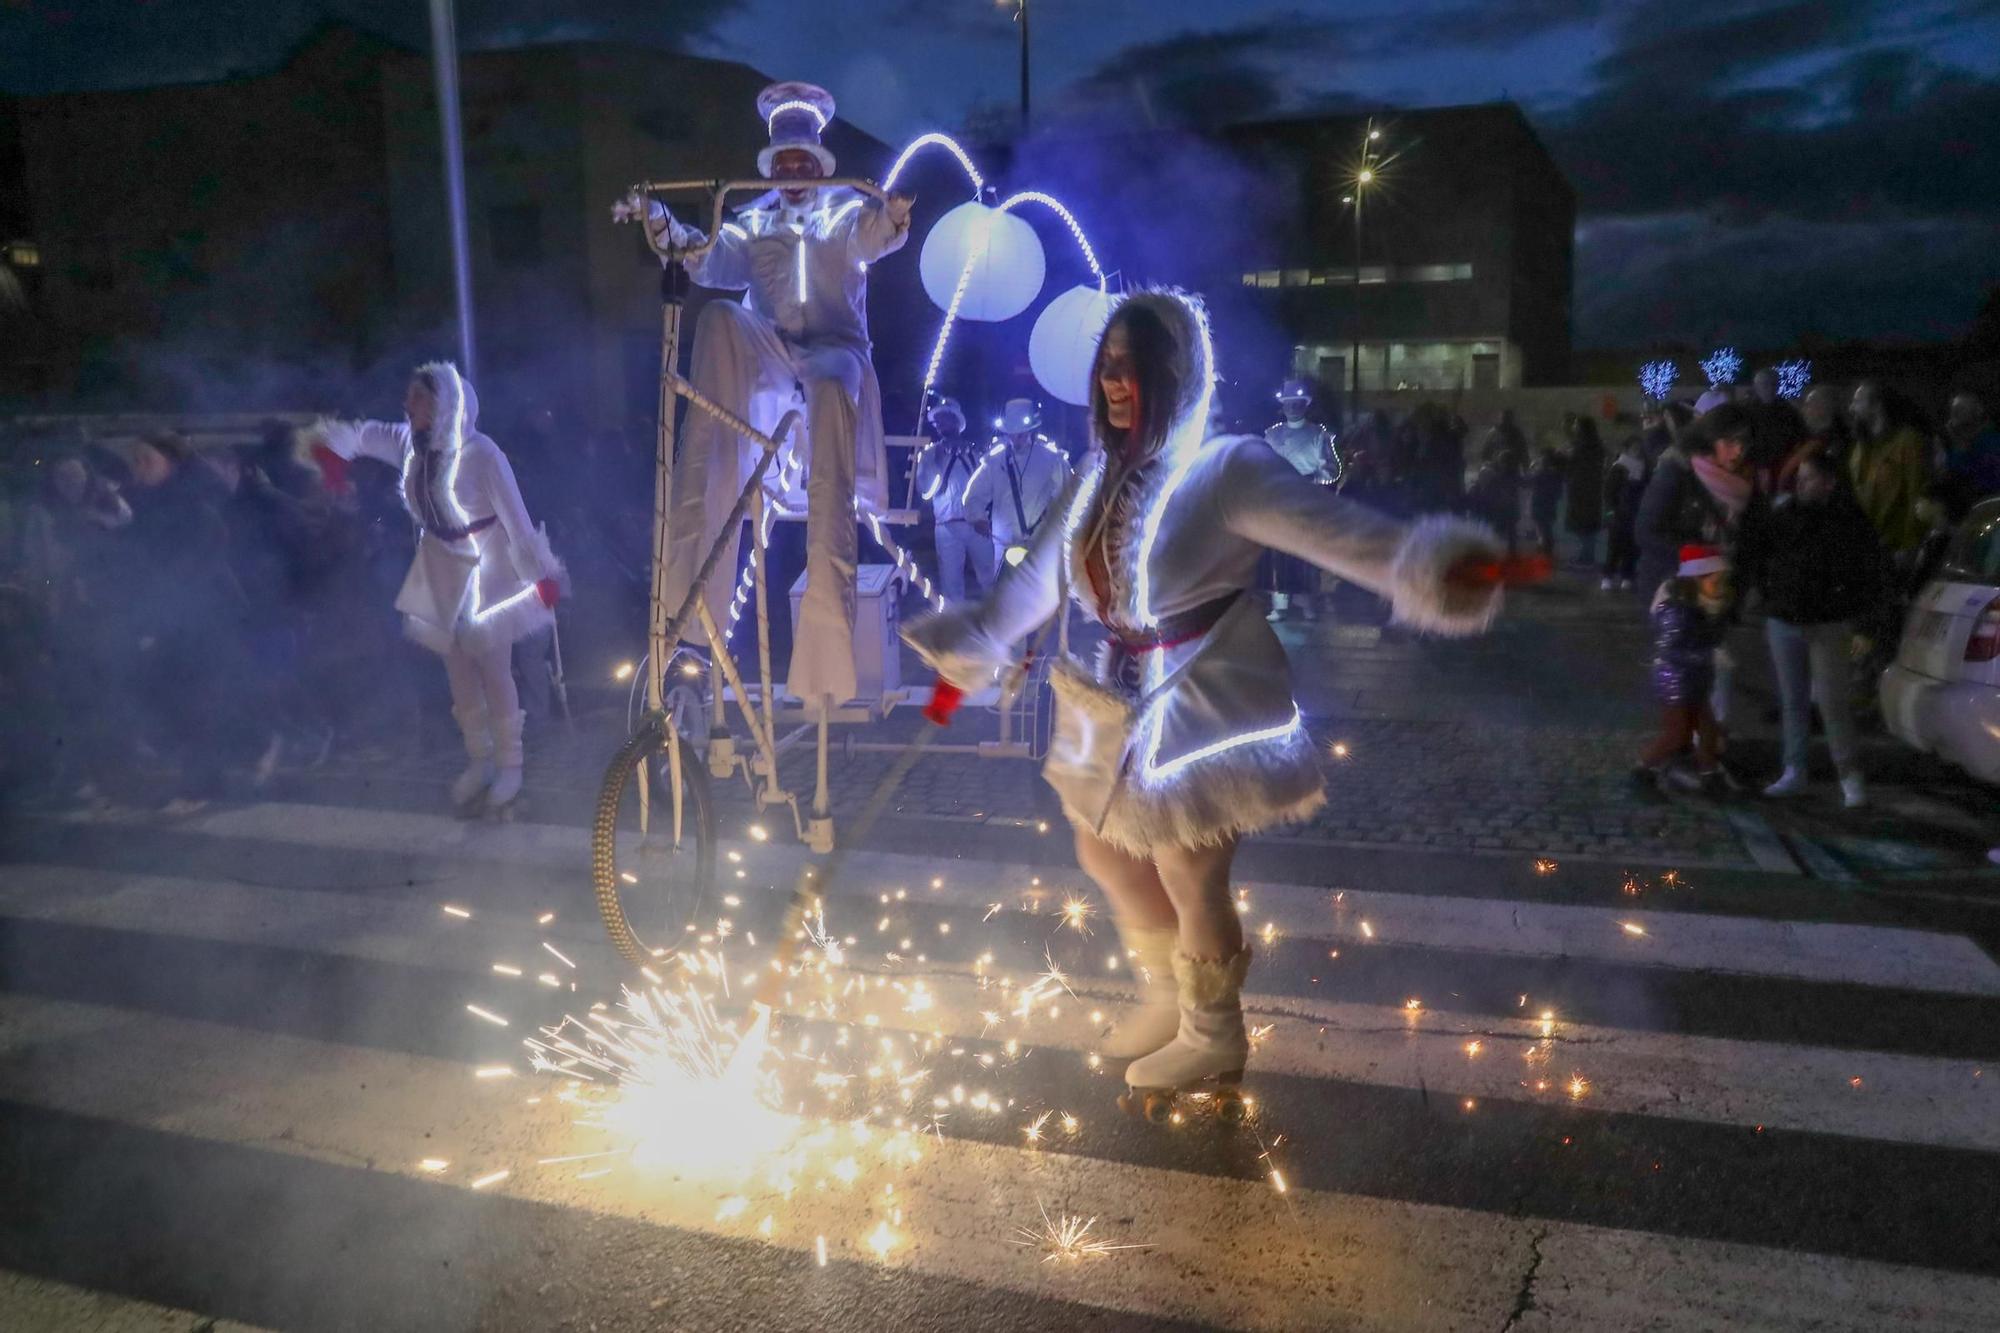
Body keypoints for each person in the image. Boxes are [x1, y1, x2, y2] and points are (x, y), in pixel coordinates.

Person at [904, 290, 1506, 1105]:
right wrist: (977, 641)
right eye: (1106, 366)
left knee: (1189, 867)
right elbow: (1035, 579)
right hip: (1115, 696)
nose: (1115, 382)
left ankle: (1213, 1038)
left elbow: (1336, 531)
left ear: (1176, 372)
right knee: (1102, 848)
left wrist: (1425, 568)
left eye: (1133, 366)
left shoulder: (1229, 467)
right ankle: (1165, 999)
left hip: (1202, 688)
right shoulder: (1095, 475)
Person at [617, 82, 913, 706]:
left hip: (835, 350)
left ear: (821, 164)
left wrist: (890, 217)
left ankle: (826, 654)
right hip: (772, 354)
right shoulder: (751, 222)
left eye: (804, 161)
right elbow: (706, 257)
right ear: (772, 169)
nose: (794, 172)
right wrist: (660, 220)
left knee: (833, 386)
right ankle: (692, 616)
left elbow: (872, 237)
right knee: (722, 318)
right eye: (784, 163)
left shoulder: (842, 214)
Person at [315, 362, 563, 816]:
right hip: (440, 560)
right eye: (409, 397)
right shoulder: (410, 443)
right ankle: (479, 759)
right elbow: (364, 434)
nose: (407, 406)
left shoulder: (484, 453)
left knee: (493, 667)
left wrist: (539, 574)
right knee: (457, 668)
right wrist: (335, 454)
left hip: (488, 565)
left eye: (417, 398)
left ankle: (511, 764)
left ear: (443, 403)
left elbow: (517, 517)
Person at [1737, 453, 1879, 808]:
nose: (1800, 484)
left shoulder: (1848, 521)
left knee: (1832, 703)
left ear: (1829, 482)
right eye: (1799, 477)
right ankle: (1794, 769)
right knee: (1792, 700)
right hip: (1785, 618)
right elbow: (1758, 552)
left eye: (1809, 478)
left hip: (1828, 621)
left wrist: (1859, 619)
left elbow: (1868, 572)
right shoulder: (1784, 515)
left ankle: (1849, 777)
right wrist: (1768, 591)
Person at [1633, 545, 1733, 796]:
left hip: (1695, 677)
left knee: (1708, 730)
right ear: (1698, 578)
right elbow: (1669, 650)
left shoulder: (1706, 603)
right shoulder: (1677, 609)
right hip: (1675, 680)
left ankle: (1710, 775)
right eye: (1715, 581)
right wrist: (1709, 656)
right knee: (1676, 735)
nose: (1720, 586)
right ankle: (1643, 770)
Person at [1260, 377, 1339, 619]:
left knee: (1306, 552)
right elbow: (1261, 466)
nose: (1293, 407)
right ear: (1283, 406)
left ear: (1305, 405)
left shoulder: (1319, 434)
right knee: (1279, 555)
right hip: (1279, 502)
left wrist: (1310, 479)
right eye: (1289, 403)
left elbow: (1332, 469)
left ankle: (1307, 602)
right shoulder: (1271, 435)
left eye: (1298, 403)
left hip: (1307, 501)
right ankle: (1280, 603)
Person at [963, 398, 1071, 569]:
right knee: (1004, 592)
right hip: (1004, 543)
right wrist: (977, 518)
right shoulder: (994, 461)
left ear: (1030, 431)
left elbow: (1068, 494)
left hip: (1040, 543)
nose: (1016, 438)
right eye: (1011, 433)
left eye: (1020, 433)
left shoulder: (1052, 459)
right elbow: (973, 496)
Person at [912, 397, 993, 602]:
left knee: (990, 578)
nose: (939, 424)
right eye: (937, 421)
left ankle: (996, 622)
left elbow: (988, 487)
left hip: (977, 524)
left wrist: (987, 517)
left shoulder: (976, 452)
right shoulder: (929, 454)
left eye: (944, 419)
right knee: (951, 584)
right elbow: (926, 491)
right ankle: (955, 627)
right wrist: (937, 461)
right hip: (946, 527)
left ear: (956, 421)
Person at [1847, 381, 1932, 559]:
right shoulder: (1861, 447)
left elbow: (1916, 492)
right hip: (1868, 546)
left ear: (1876, 406)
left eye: (1857, 401)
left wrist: (1910, 545)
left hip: (1896, 547)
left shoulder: (1907, 442)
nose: (1851, 408)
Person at [1938, 392, 2000, 523]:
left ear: (1978, 410)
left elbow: (1967, 476)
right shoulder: (1957, 442)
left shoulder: (1991, 440)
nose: (1955, 414)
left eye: (1960, 409)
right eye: (1953, 410)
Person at [1601, 432, 1647, 591]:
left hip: (1635, 514)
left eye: (1639, 448)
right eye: (1634, 448)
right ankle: (1608, 576)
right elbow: (1608, 493)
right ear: (1627, 449)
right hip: (1619, 514)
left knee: (1632, 547)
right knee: (1614, 547)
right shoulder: (1619, 468)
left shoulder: (1644, 467)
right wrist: (1610, 513)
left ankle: (1627, 576)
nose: (1638, 451)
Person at [1744, 367, 1806, 482]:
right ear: (1756, 387)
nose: (1769, 388)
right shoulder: (1746, 411)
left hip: (1782, 466)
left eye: (1773, 384)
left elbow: (1799, 436)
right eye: (1764, 384)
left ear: (1777, 385)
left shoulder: (1789, 411)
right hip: (1753, 466)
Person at [1564, 415, 1607, 566]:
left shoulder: (1583, 445)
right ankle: (1587, 553)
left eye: (1577, 425)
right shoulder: (1596, 445)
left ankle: (1587, 554)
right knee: (1586, 522)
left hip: (1582, 487)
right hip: (1590, 487)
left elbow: (1573, 463)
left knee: (1583, 522)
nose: (1574, 427)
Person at [1528, 445, 1566, 558]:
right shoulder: (1557, 474)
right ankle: (1545, 548)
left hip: (1538, 503)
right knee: (1546, 526)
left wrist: (1532, 470)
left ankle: (1544, 548)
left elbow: (1528, 481)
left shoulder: (1540, 473)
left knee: (1541, 527)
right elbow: (1559, 492)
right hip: (1550, 503)